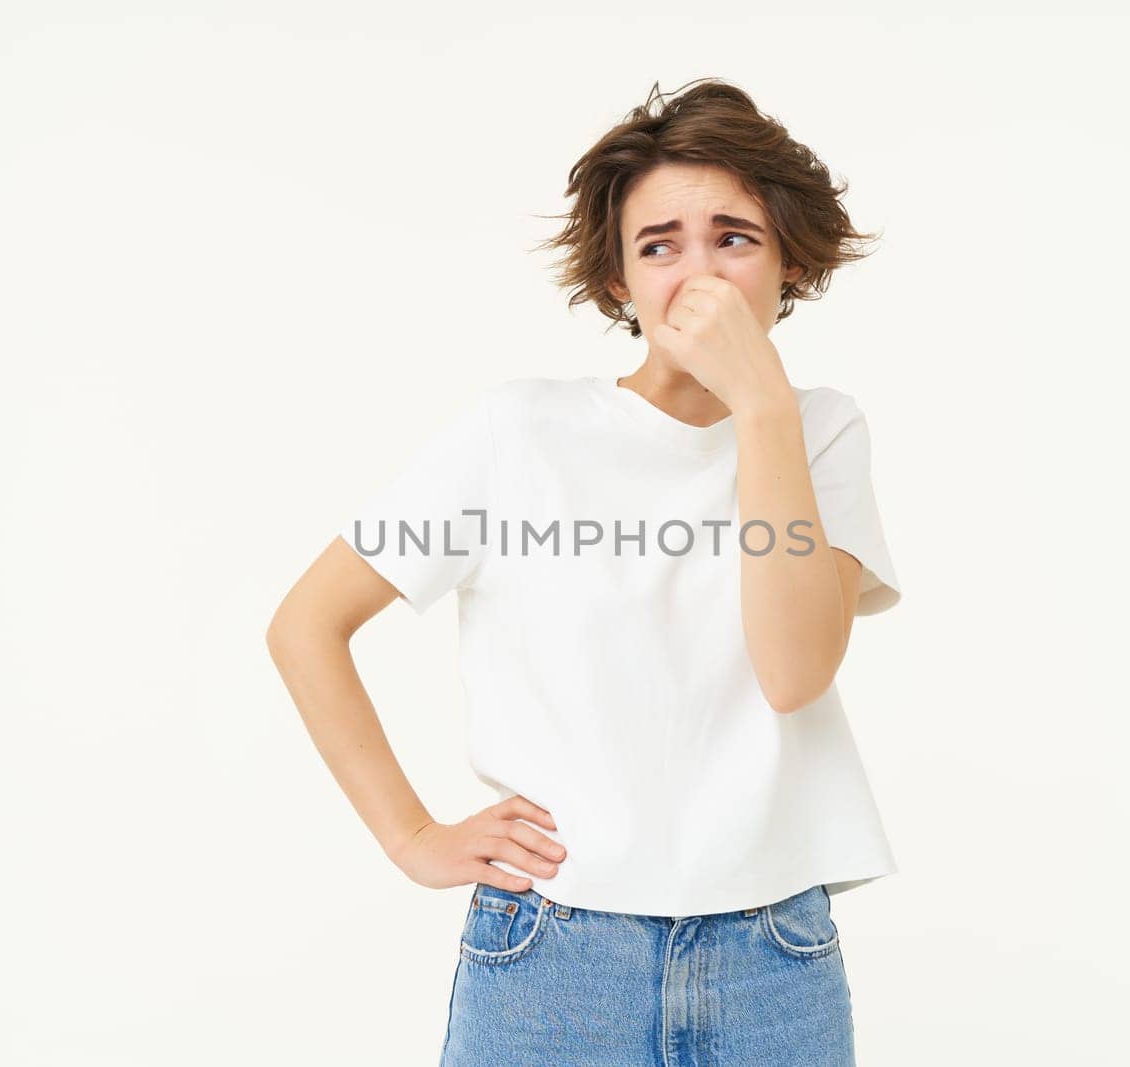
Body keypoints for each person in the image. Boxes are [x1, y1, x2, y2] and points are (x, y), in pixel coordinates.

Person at [266, 77, 902, 1066]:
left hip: (771, 953)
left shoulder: (819, 431)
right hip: (552, 952)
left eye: (734, 237)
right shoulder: (520, 431)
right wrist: (410, 834)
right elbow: (306, 624)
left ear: (788, 261)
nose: (700, 275)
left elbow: (791, 669)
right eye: (660, 245)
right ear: (617, 281)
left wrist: (762, 407)